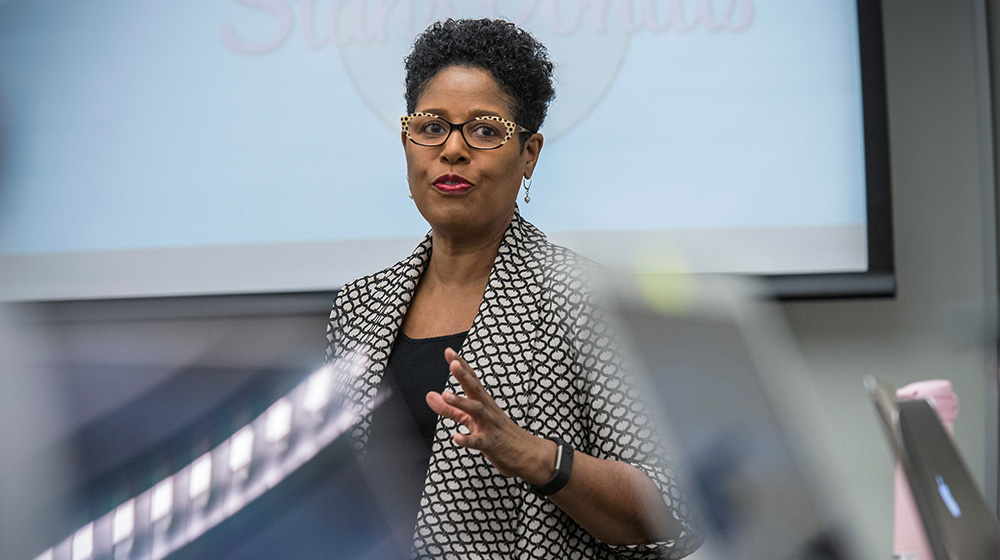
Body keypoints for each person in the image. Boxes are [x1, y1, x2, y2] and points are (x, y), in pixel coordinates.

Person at [325, 18, 701, 559]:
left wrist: (535, 455)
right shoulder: (360, 307)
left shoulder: (586, 299)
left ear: (529, 154)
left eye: (484, 130)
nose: (452, 150)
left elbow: (679, 507)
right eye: (431, 127)